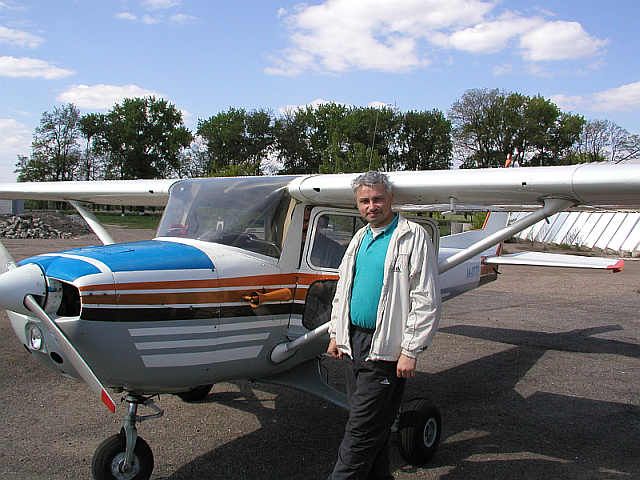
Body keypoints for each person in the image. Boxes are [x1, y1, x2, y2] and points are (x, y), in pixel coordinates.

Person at [326, 171, 441, 480]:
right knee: (373, 424)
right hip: (354, 342)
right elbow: (343, 289)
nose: (371, 206)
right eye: (364, 201)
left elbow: (425, 297)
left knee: (360, 432)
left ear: (390, 199)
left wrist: (411, 350)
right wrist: (336, 333)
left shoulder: (412, 235)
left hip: (385, 345)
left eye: (377, 199)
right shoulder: (359, 238)